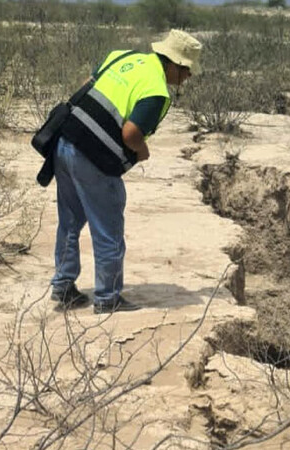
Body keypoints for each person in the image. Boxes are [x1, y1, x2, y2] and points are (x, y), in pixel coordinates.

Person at [49, 30, 202, 313]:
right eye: (188, 70)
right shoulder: (156, 91)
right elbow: (131, 133)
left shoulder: (122, 56)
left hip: (65, 141)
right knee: (108, 230)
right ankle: (108, 298)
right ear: (173, 64)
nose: (188, 77)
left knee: (70, 220)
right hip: (93, 160)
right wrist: (143, 152)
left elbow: (87, 85)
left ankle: (63, 286)